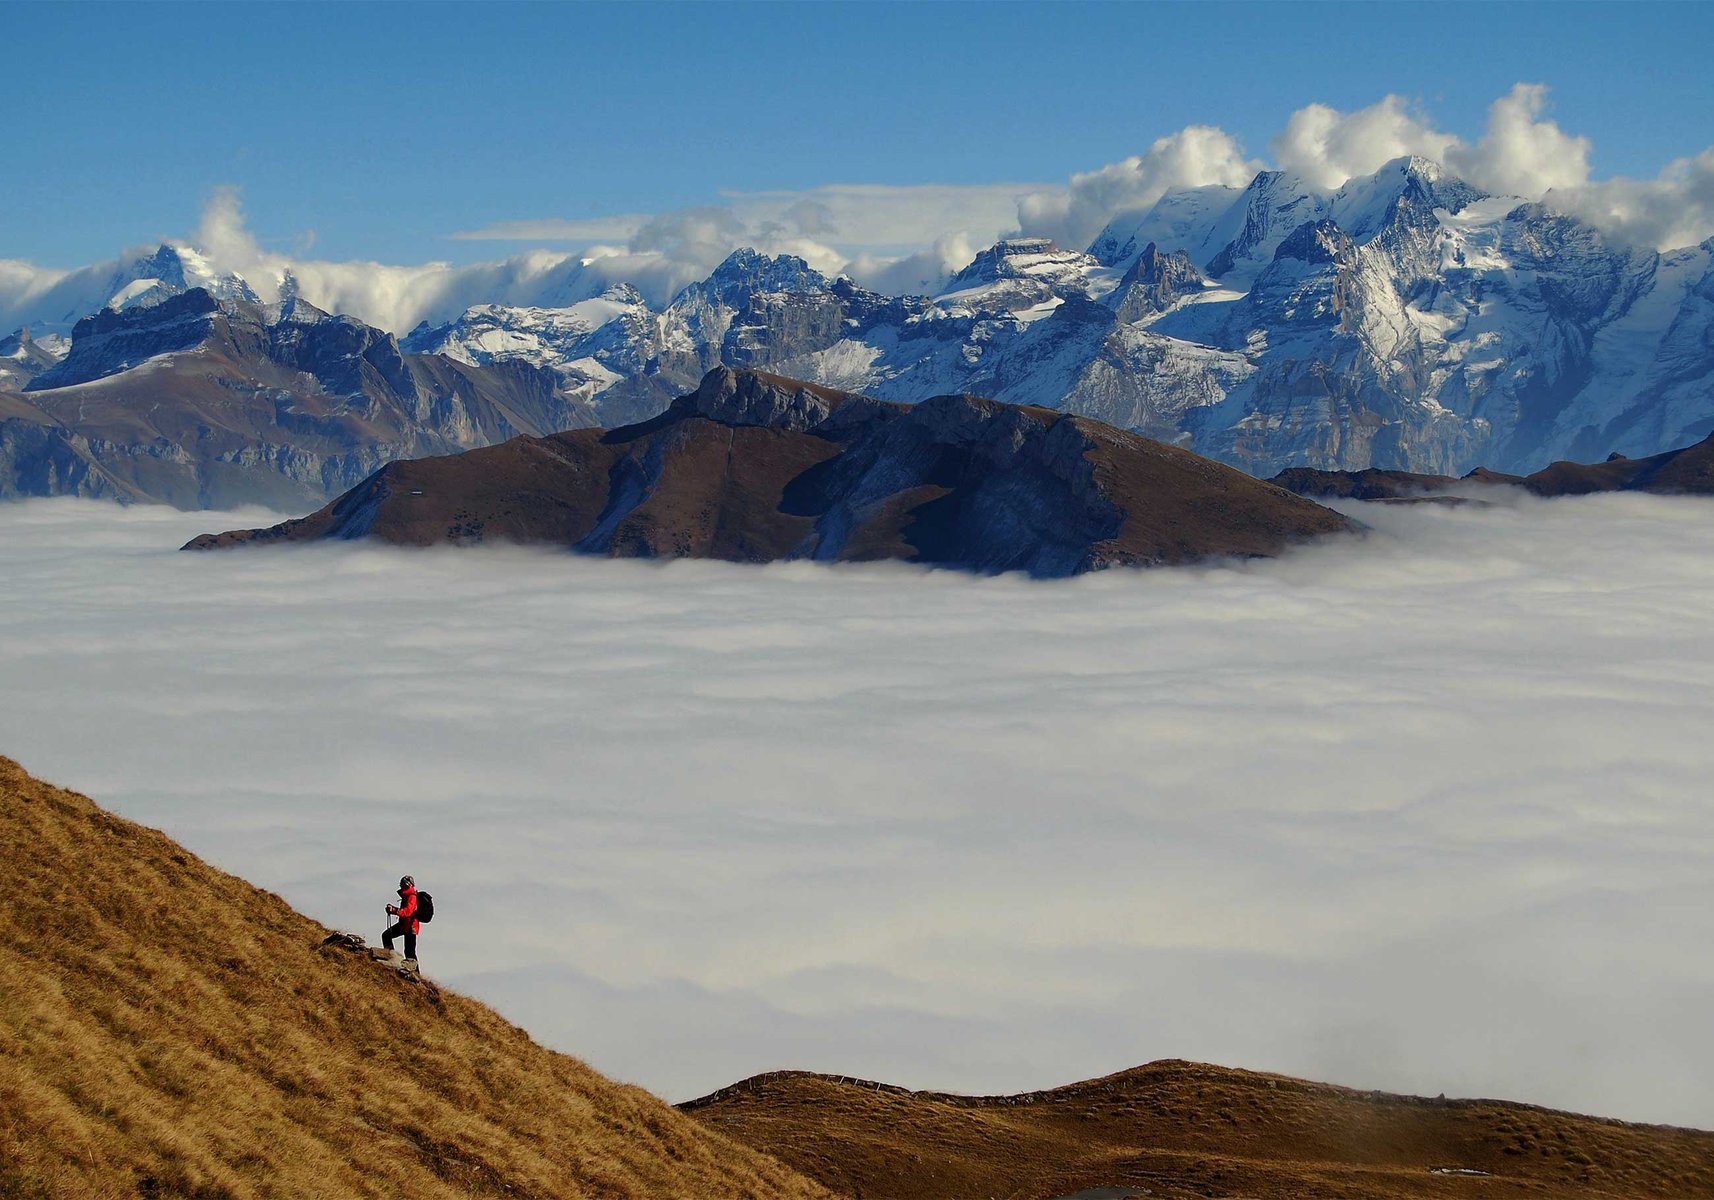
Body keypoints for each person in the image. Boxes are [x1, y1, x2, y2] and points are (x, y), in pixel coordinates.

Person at [382, 874, 421, 965]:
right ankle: (391, 957)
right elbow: (406, 912)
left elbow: (408, 912)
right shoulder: (408, 896)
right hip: (407, 925)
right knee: (387, 936)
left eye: (402, 884)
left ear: (407, 884)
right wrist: (394, 910)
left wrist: (394, 911)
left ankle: (414, 973)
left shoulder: (412, 896)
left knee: (409, 952)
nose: (400, 886)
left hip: (410, 926)